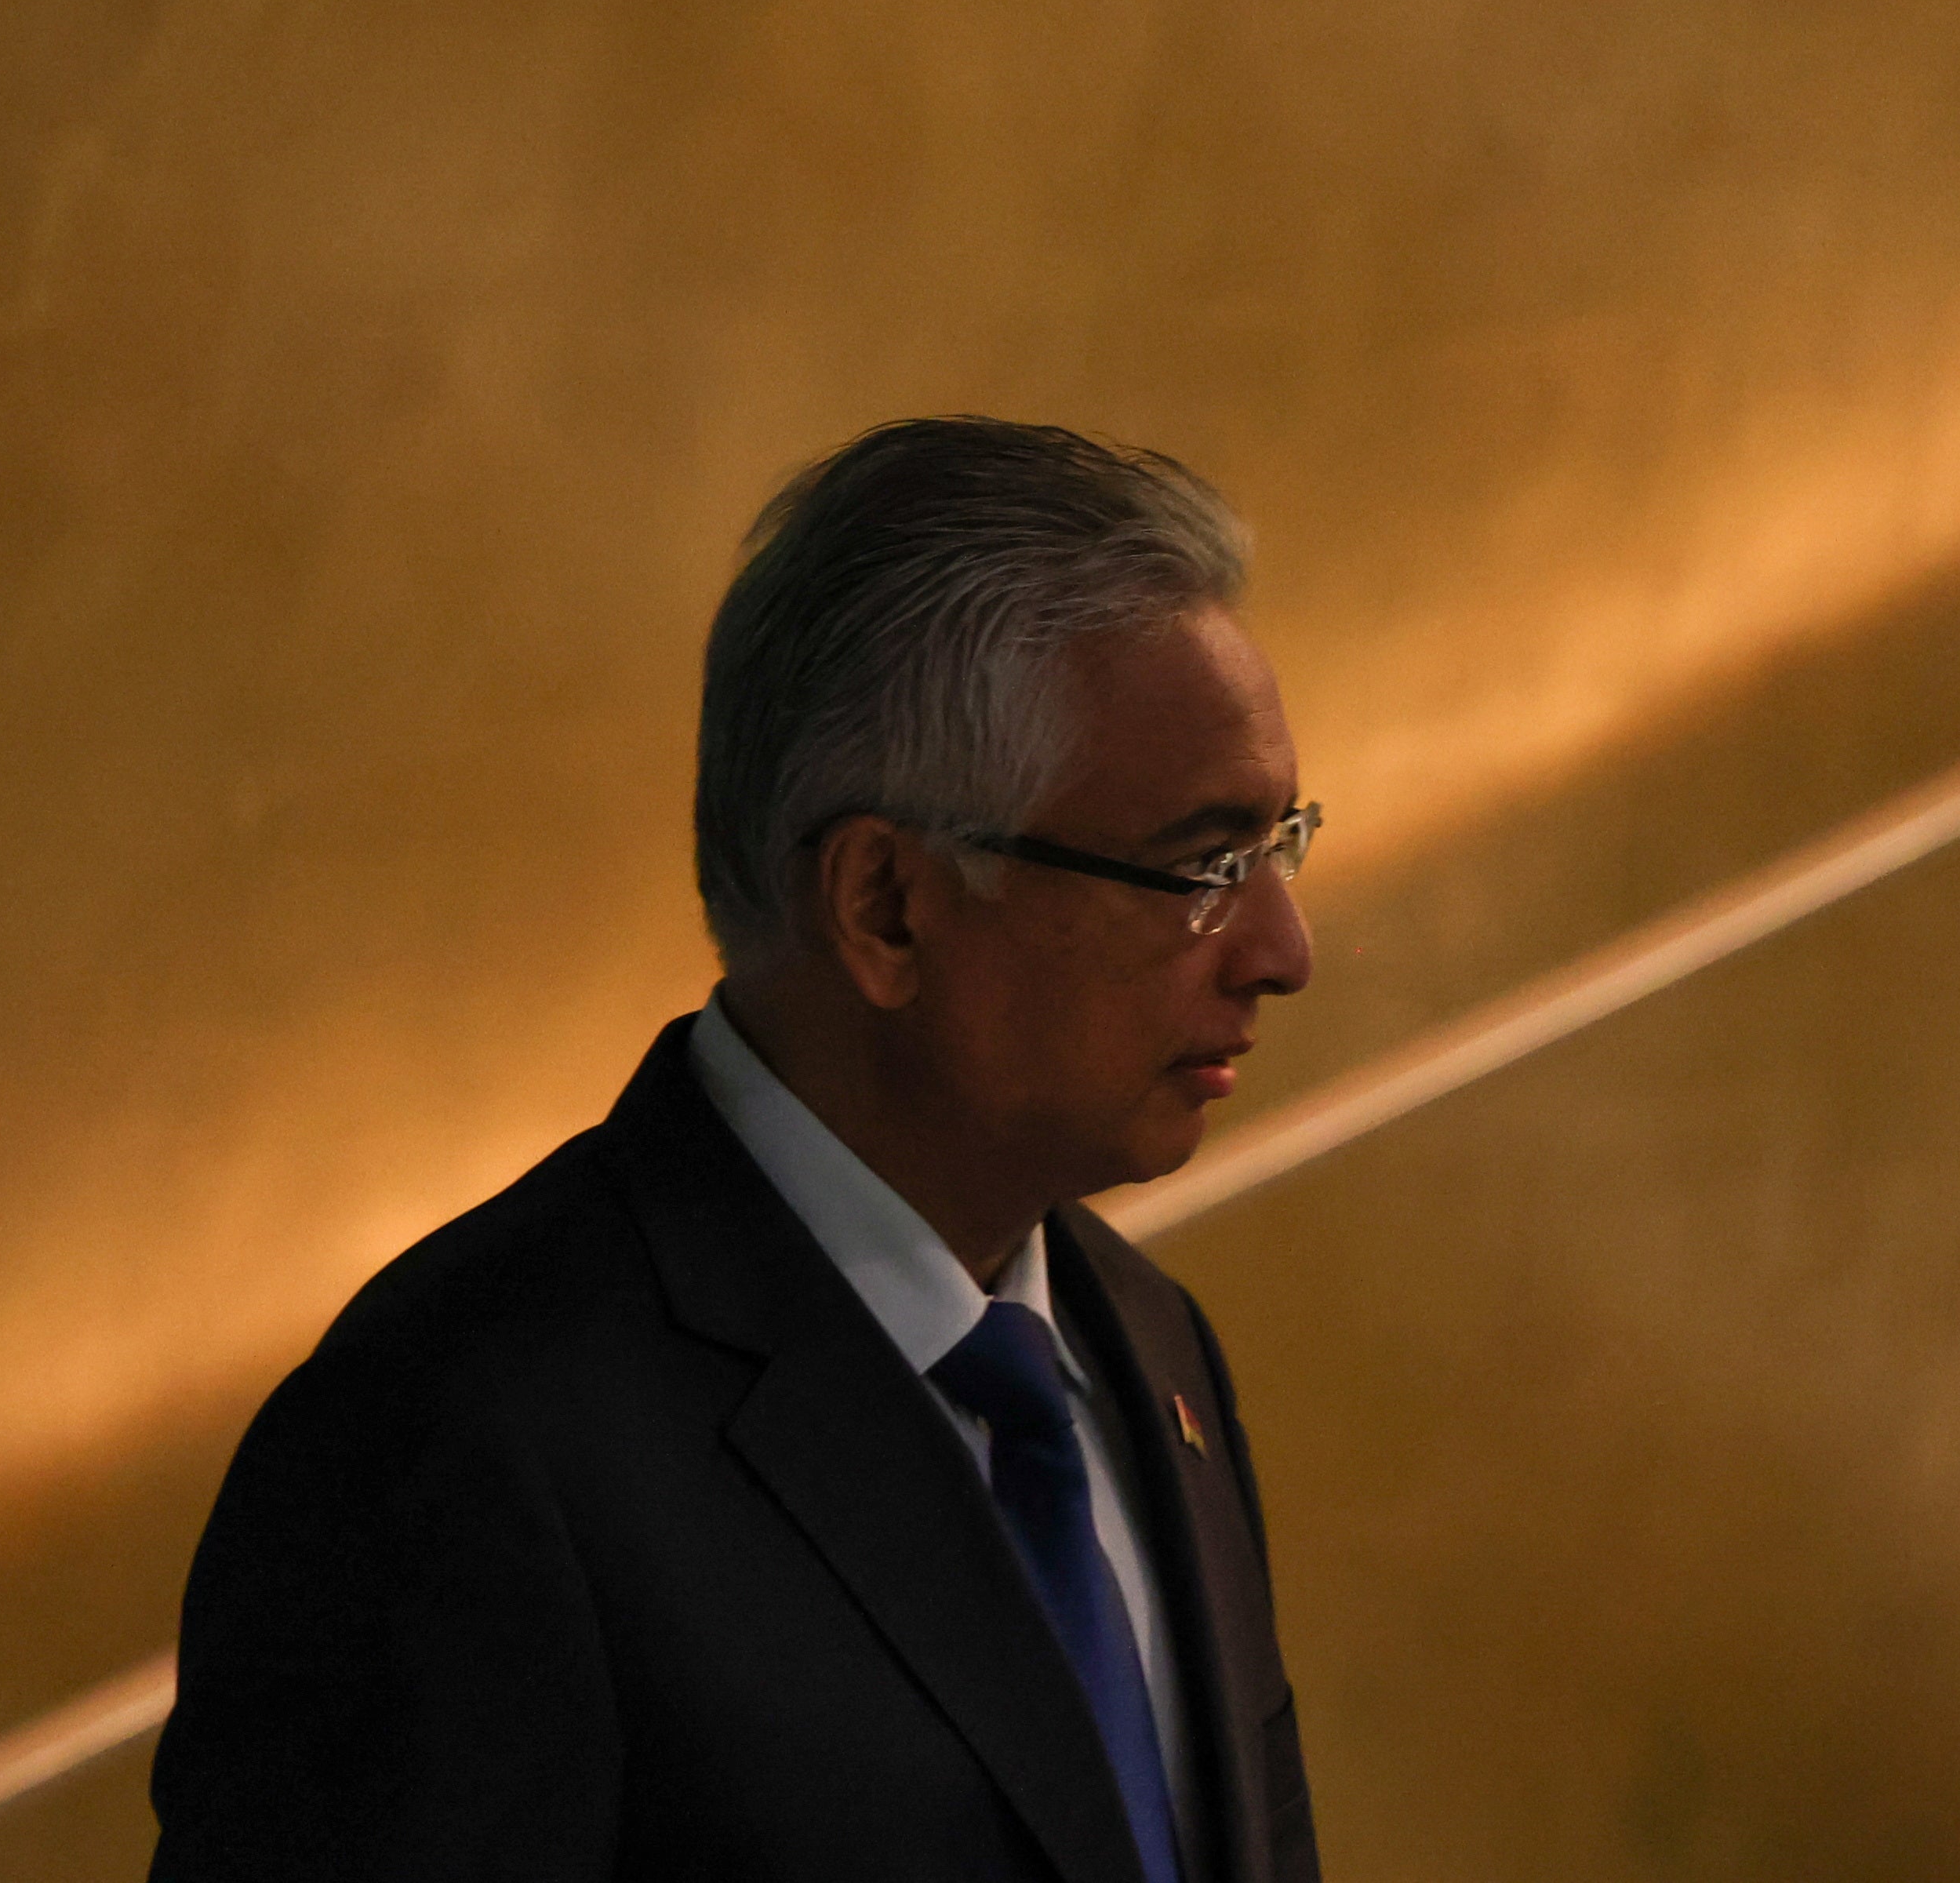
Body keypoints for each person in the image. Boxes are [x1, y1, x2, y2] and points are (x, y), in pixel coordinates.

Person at [149, 418, 1324, 1883]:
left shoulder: (1149, 1346)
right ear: (886, 905)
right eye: (1201, 868)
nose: (1283, 950)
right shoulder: (458, 1446)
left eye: (1283, 846)